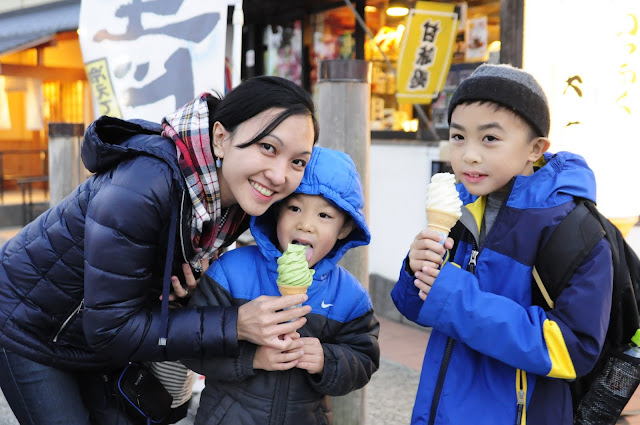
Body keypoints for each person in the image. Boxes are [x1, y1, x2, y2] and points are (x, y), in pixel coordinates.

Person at [0, 75, 319, 425]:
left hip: (98, 334)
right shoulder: (142, 186)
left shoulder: (238, 204)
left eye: (298, 162)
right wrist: (234, 324)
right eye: (268, 147)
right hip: (29, 324)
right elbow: (111, 328)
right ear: (221, 138)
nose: (278, 175)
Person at [391, 64, 613, 424]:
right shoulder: (461, 208)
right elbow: (416, 308)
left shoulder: (573, 230)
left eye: (490, 138)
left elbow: (573, 349)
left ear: (535, 148)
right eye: (459, 137)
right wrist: (414, 268)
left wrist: (455, 296)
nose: (469, 155)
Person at [185, 146, 380, 425]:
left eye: (324, 216)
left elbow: (364, 360)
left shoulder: (349, 296)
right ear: (276, 211)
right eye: (295, 208)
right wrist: (252, 358)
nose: (306, 225)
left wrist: (327, 360)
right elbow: (191, 346)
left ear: (345, 229)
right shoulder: (231, 271)